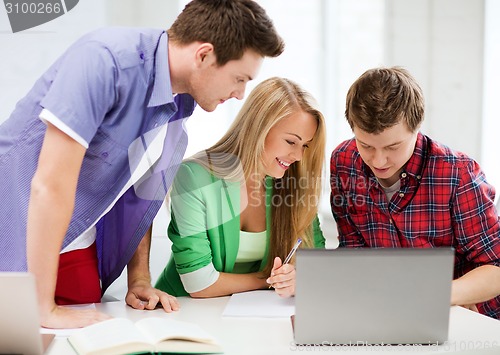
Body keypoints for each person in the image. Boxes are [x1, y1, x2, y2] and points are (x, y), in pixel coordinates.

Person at [0, 0, 284, 329]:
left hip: (75, 243)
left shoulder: (182, 103)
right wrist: (41, 306)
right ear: (203, 54)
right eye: (239, 78)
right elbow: (49, 185)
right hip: (15, 230)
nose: (239, 94)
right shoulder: (105, 60)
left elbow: (140, 191)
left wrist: (140, 280)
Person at [330, 66, 500, 319]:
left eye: (393, 146)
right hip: (386, 312)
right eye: (365, 145)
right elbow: (353, 251)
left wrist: (442, 295)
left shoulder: (457, 174)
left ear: (416, 127)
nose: (379, 161)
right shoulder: (344, 161)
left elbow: (494, 267)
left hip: (463, 317)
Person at [155, 77, 326, 298]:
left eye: (305, 146)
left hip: (251, 316)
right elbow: (198, 283)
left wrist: (296, 278)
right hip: (181, 312)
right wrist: (270, 280)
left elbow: (318, 266)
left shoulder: (292, 184)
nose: (298, 156)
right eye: (291, 142)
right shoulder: (193, 177)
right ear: (259, 129)